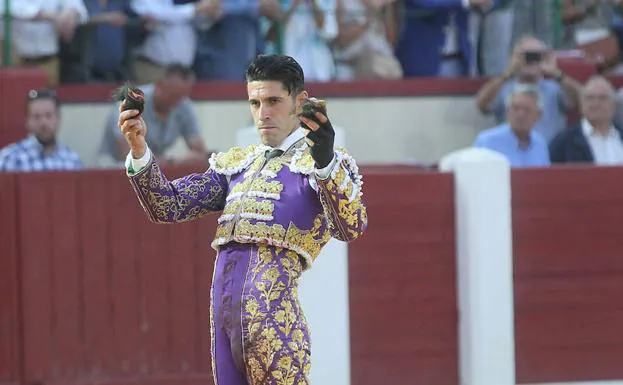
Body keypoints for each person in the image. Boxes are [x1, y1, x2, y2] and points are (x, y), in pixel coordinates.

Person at [118, 54, 368, 384]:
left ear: (300, 101)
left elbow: (349, 226)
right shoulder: (238, 165)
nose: (263, 113)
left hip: (274, 324)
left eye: (274, 101)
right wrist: (138, 148)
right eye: (255, 102)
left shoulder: (320, 165)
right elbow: (167, 205)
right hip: (223, 323)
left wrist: (325, 162)